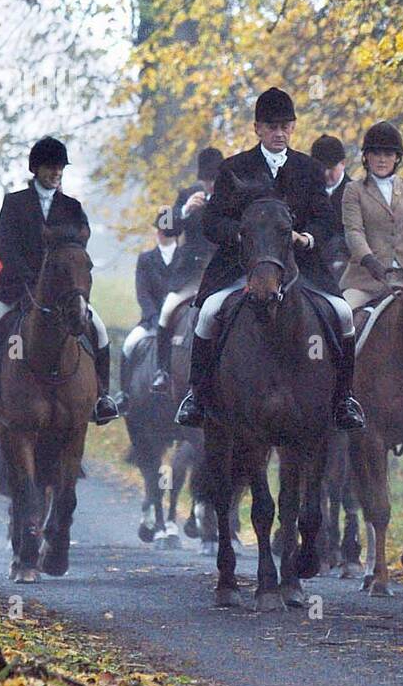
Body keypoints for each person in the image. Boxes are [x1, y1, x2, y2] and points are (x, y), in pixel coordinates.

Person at [174, 87, 366, 431]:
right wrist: (241, 235)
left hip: (300, 267)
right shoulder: (235, 168)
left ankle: (344, 399)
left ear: (293, 128)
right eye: (271, 126)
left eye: (285, 126)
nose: (279, 133)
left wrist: (307, 238)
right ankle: (197, 396)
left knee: (342, 314)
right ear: (257, 129)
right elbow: (211, 221)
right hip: (241, 264)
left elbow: (325, 219)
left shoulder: (308, 168)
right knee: (207, 313)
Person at [0, 136, 120, 427]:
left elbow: (80, 241)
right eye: (51, 167)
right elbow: (5, 244)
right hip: (16, 285)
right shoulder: (15, 202)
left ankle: (102, 398)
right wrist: (28, 275)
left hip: (62, 291)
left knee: (99, 328)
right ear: (36, 168)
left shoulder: (72, 206)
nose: (57, 172)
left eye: (60, 167)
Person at [150, 147, 223, 392]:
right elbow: (168, 228)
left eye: (213, 180)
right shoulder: (187, 195)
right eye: (206, 180)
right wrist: (184, 211)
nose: (210, 185)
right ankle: (162, 371)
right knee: (167, 311)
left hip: (221, 273)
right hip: (191, 275)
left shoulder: (232, 197)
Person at [338, 122, 403, 310]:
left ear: (397, 158)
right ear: (366, 157)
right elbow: (354, 232)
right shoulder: (354, 190)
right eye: (376, 154)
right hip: (365, 279)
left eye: (388, 154)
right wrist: (369, 260)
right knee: (342, 314)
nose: (382, 160)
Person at [118, 209, 180, 403]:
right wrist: (153, 317)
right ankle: (124, 395)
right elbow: (143, 293)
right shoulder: (146, 259)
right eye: (161, 230)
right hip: (151, 320)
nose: (160, 234)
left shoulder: (185, 257)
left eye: (164, 231)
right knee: (128, 346)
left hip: (181, 320)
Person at [311, 134, 350, 278]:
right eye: (321, 169)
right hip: (312, 266)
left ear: (343, 163)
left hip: (347, 267)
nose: (326, 174)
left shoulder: (357, 193)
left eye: (332, 168)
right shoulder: (306, 193)